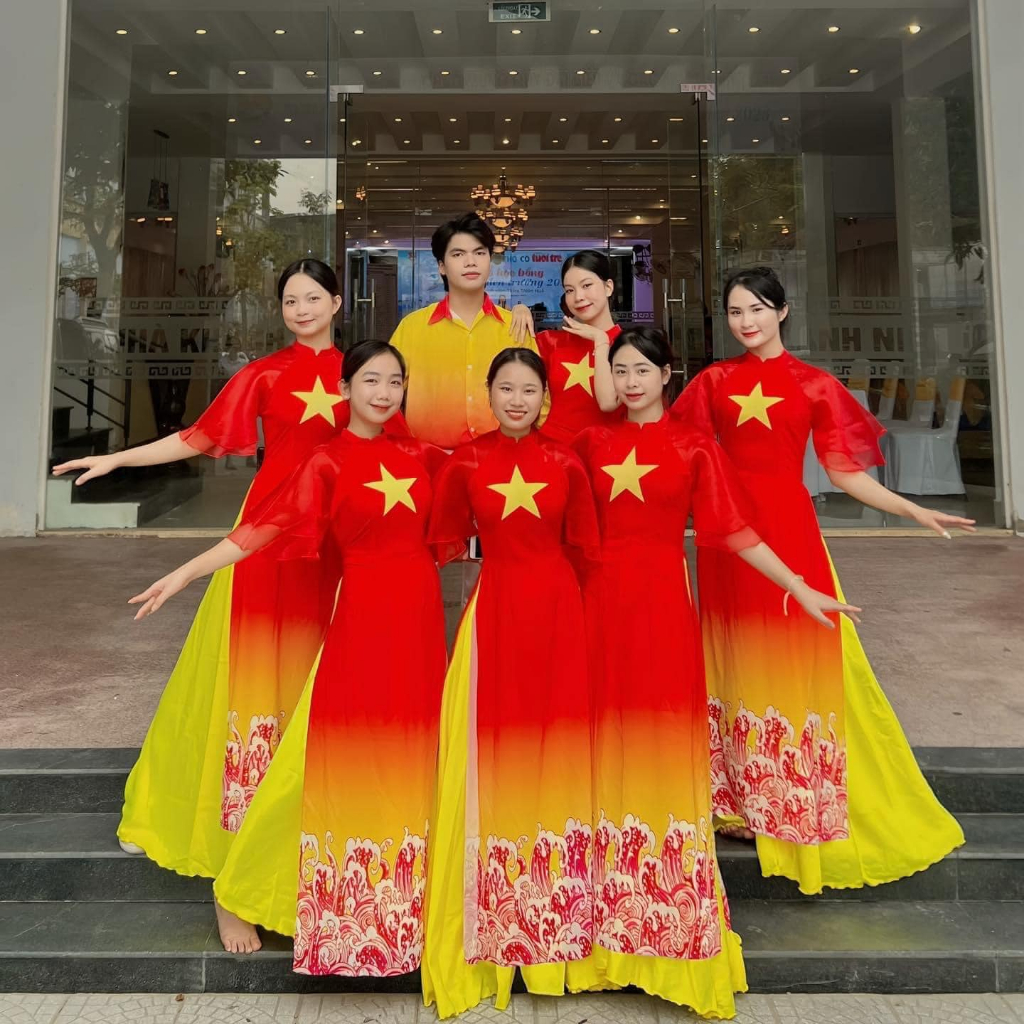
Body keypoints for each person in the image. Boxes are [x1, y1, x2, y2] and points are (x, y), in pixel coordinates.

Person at [53, 259, 362, 953]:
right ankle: (234, 883)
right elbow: (194, 437)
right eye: (290, 300)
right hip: (266, 542)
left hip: (340, 541)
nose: (302, 308)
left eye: (314, 297)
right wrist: (116, 460)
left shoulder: (362, 373)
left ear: (338, 302)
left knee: (319, 692)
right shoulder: (265, 373)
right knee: (257, 697)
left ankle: (301, 860)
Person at [131, 341, 448, 974]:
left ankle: (404, 904)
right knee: (330, 761)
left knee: (410, 757)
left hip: (417, 625)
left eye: (395, 382)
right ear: (346, 388)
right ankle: (246, 885)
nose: (383, 393)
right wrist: (184, 575)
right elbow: (258, 532)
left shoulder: (425, 458)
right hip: (358, 619)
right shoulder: (325, 463)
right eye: (369, 381)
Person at [572, 327, 856, 1017]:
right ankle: (595, 912)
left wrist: (798, 583)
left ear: (669, 375)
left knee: (665, 753)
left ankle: (669, 919)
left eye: (643, 369)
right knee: (595, 746)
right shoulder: (588, 445)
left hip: (665, 611)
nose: (631, 380)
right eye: (620, 370)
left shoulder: (696, 446)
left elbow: (733, 531)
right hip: (592, 610)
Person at [671, 266, 970, 894]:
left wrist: (911, 507)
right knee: (730, 657)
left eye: (756, 308)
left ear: (782, 311)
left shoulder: (814, 385)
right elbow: (678, 461)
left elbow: (845, 475)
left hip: (789, 535)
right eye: (734, 311)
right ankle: (740, 802)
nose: (746, 321)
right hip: (727, 543)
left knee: (794, 665)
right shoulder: (712, 382)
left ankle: (789, 802)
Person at [421, 348, 599, 1018]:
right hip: (492, 611)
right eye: (505, 388)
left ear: (545, 396)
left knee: (553, 747)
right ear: (488, 393)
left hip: (557, 609)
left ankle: (555, 916)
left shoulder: (566, 461)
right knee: (487, 754)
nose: (517, 400)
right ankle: (489, 917)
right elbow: (443, 539)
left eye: (529, 389)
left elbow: (585, 544)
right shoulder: (465, 462)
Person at [389, 213, 541, 450]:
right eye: (458, 254)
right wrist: (407, 448)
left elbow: (541, 398)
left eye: (479, 253)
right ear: (441, 266)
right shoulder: (412, 328)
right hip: (430, 460)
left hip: (502, 461)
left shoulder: (516, 327)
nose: (471, 262)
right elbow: (384, 394)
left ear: (490, 260)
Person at [535, 249, 623, 443]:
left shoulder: (631, 346)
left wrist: (601, 340)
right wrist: (519, 311)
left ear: (608, 287)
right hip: (553, 455)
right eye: (569, 290)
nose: (578, 297)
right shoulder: (549, 342)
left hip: (611, 459)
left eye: (587, 285)